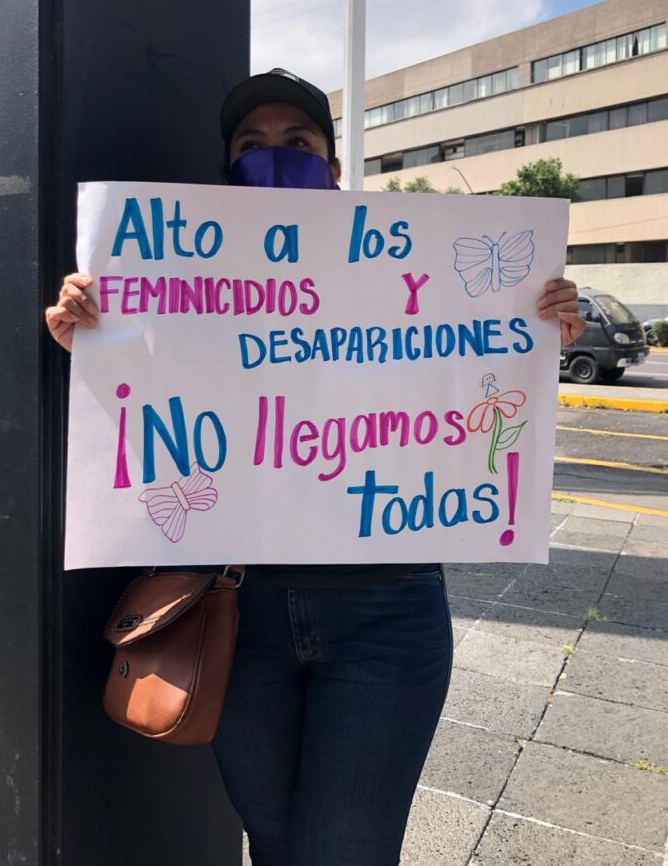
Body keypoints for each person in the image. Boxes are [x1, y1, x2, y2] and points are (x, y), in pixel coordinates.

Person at [46, 69, 585, 866]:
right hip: (243, 614)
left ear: (332, 169)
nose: (273, 155)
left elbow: (459, 380)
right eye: (251, 144)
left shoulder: (402, 272)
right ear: (227, 170)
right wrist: (89, 338)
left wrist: (534, 333)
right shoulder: (186, 282)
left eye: (296, 141)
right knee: (273, 845)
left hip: (386, 617)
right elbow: (146, 403)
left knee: (346, 852)